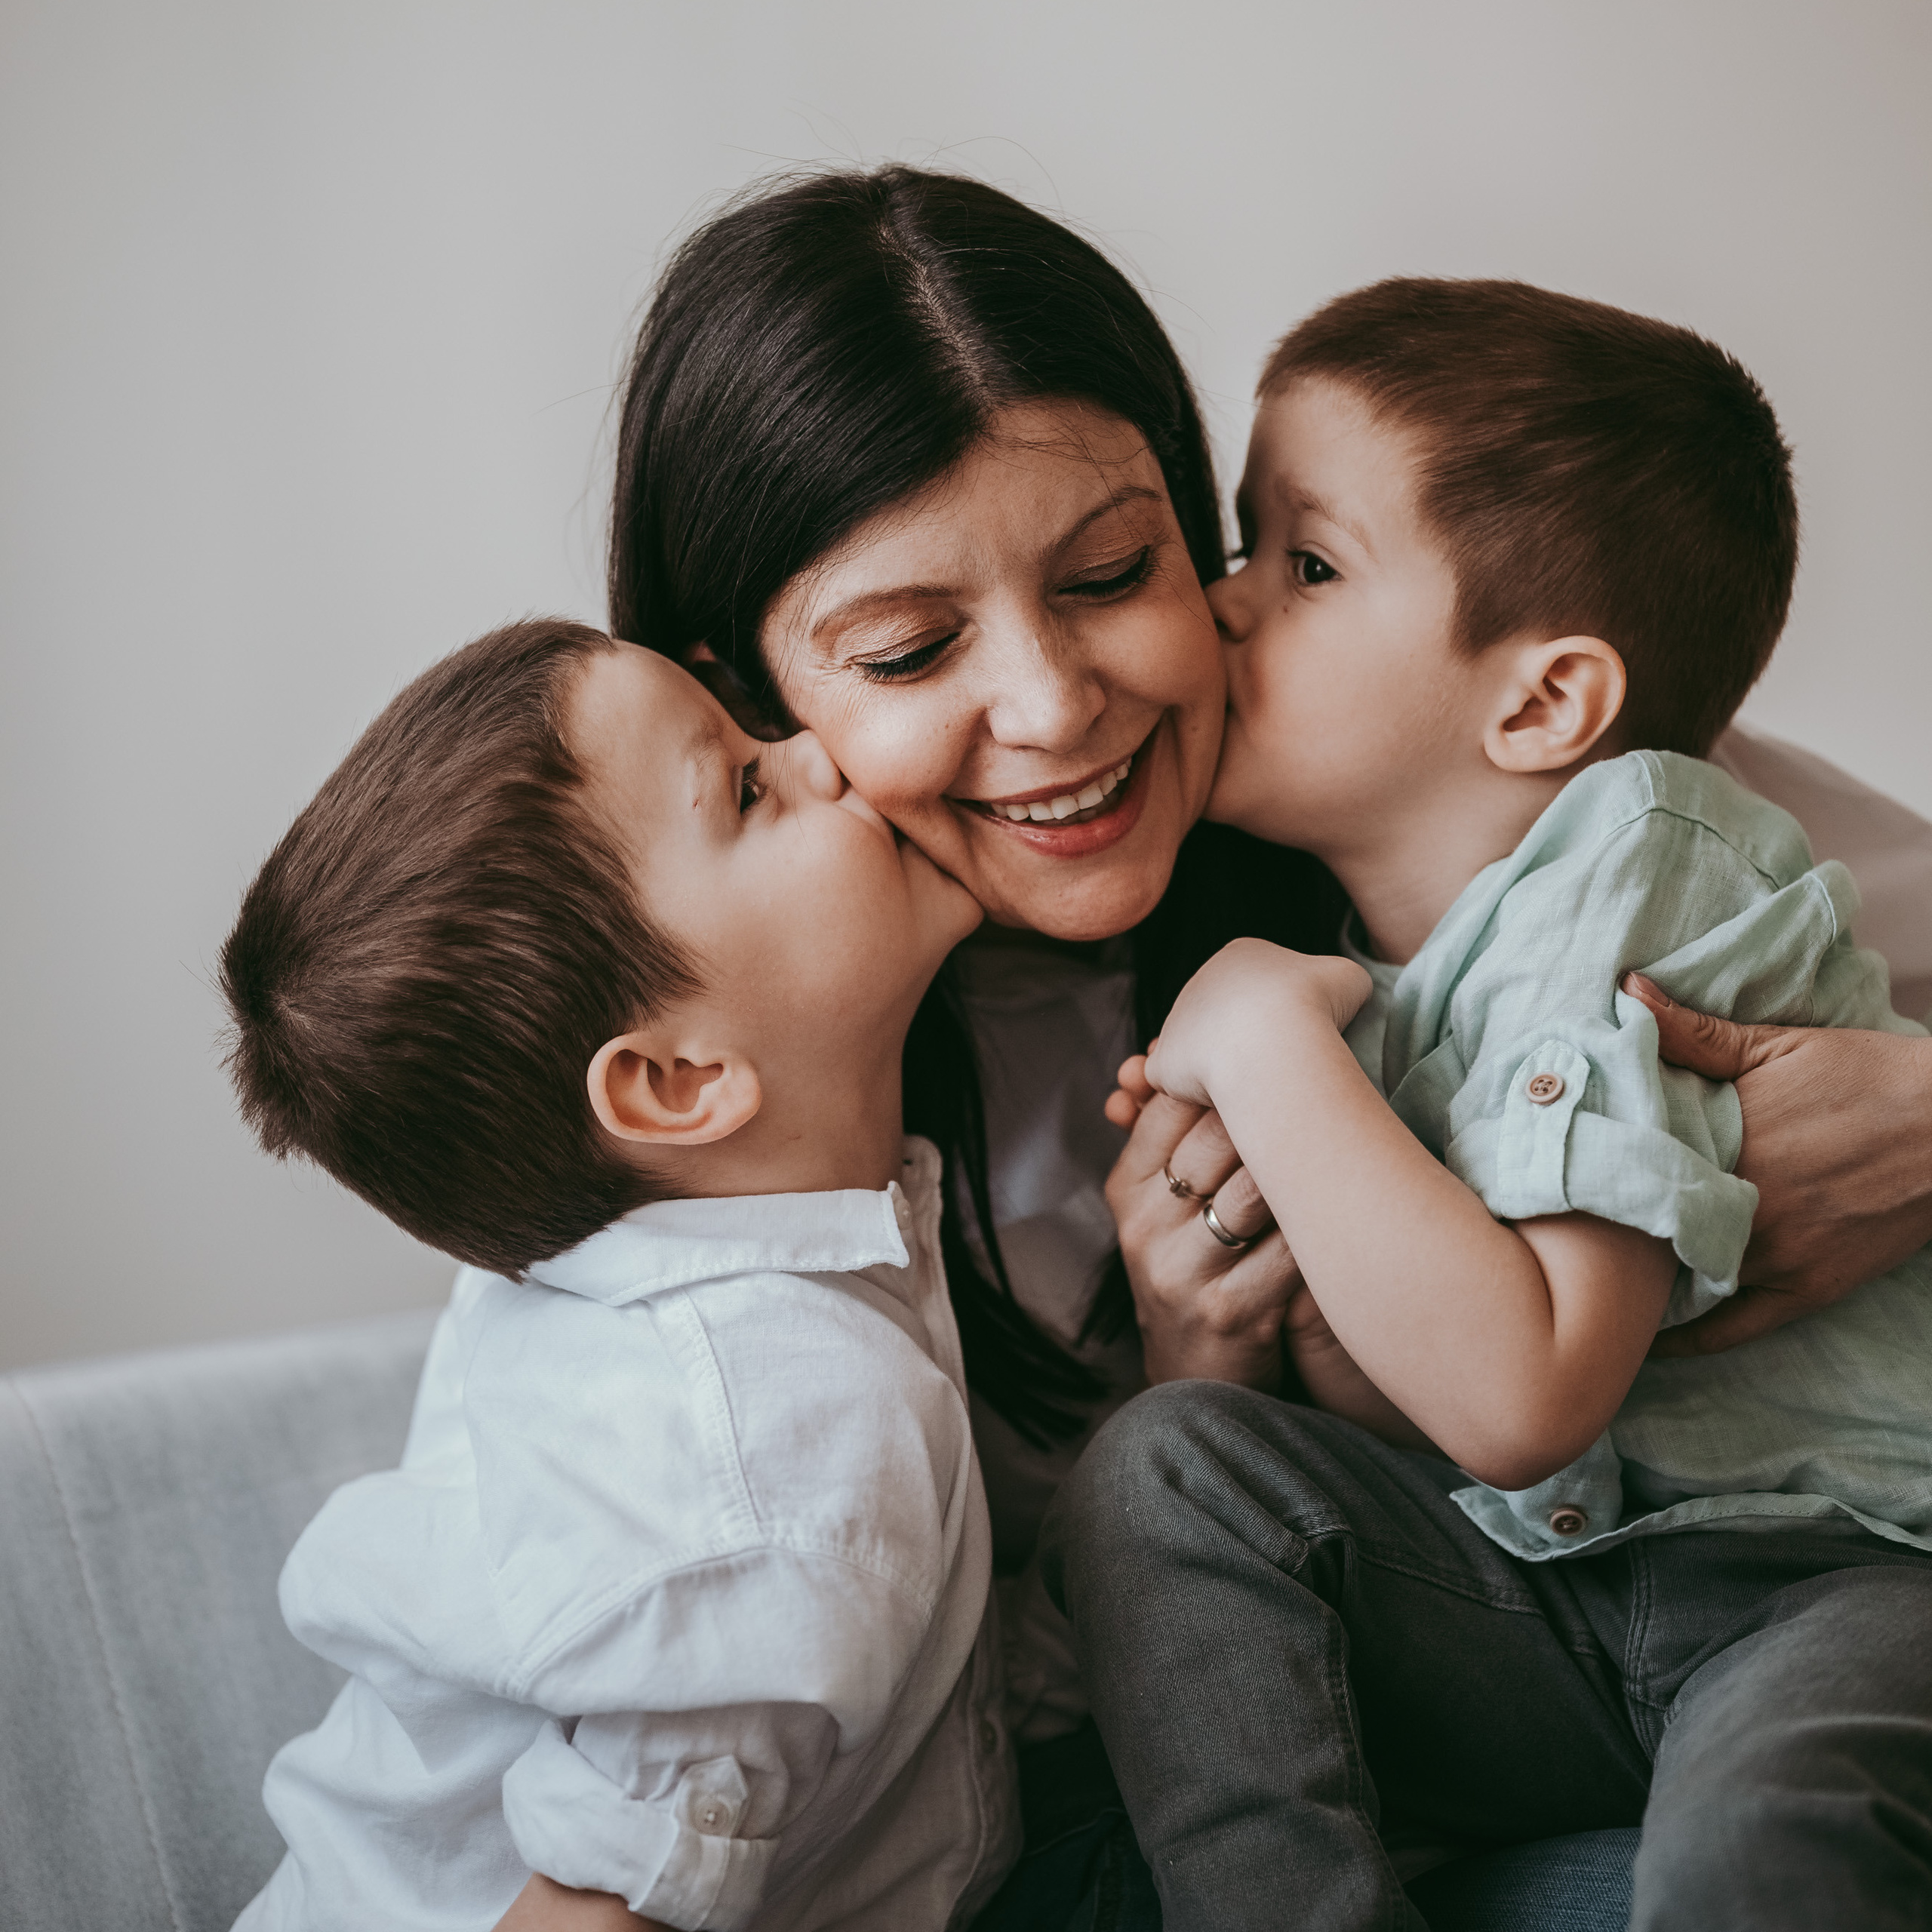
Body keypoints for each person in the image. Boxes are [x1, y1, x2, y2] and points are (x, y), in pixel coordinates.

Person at [603, 166, 1932, 1924]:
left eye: (1117, 569)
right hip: (1456, 1674)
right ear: (747, 702)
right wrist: (1210, 1360)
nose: (1058, 704)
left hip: (1807, 1599)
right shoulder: (724, 1109)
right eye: (914, 646)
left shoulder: (1567, 818)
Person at [1047, 279, 1932, 1931]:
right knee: (1162, 1467)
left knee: (1762, 1840)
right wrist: (1251, 1304)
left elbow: (1523, 1391)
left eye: (1301, 563)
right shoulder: (1363, 980)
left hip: (1828, 1577)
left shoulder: (1643, 858)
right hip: (1556, 1606)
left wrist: (1256, 1040)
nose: (1220, 606)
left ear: (1538, 704)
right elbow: (1418, 1442)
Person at [220, 619, 1017, 1932]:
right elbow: (600, 1912)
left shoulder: (604, 1269)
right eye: (750, 787)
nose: (820, 752)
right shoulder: (772, 1454)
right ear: (678, 1081)